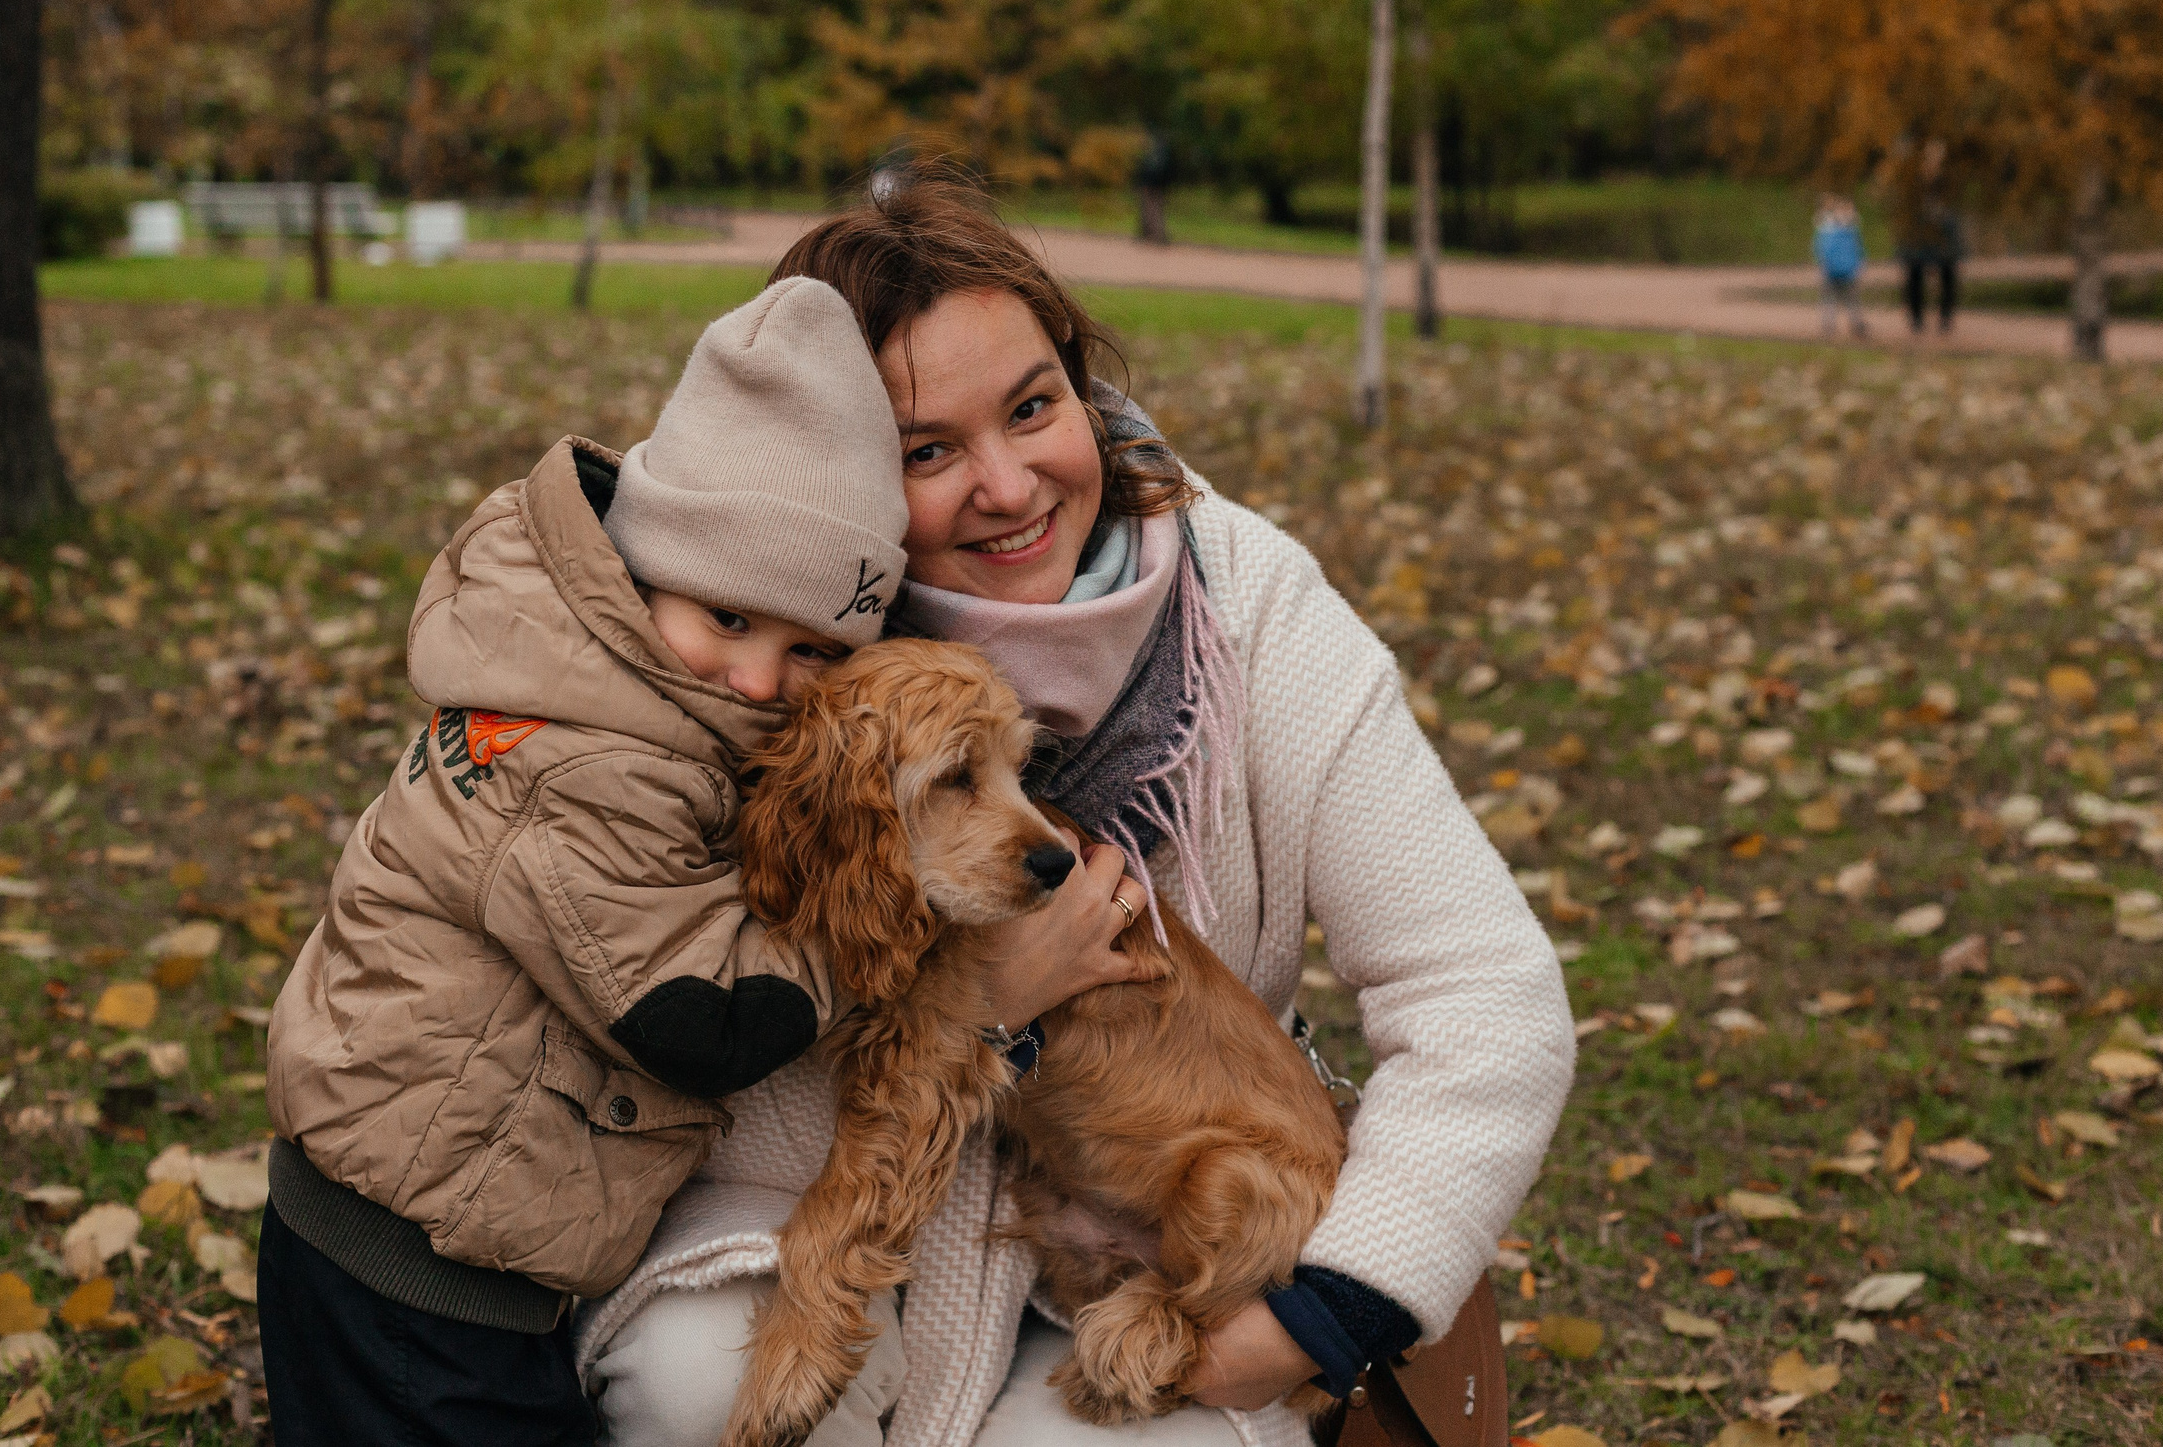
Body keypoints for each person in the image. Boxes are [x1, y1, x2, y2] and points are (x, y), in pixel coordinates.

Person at [580, 174, 1575, 1446]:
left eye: (1032, 408)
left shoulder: (1245, 602)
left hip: (1149, 1240)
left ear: (1081, 385)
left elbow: (1483, 989)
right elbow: (661, 1015)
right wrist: (984, 1005)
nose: (1008, 487)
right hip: (799, 1201)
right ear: (839, 476)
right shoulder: (752, 642)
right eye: (927, 451)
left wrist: (1330, 1307)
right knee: (697, 1388)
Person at [258, 278, 1088, 1446]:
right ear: (644, 574)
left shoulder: (607, 694)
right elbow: (696, 1014)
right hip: (414, 1263)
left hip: (455, 1231)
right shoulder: (584, 766)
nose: (756, 681)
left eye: (811, 651)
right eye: (728, 621)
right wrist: (894, 924)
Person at [1891, 138, 1961, 335]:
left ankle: (1945, 317)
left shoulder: (1948, 179)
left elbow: (1953, 202)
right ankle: (1916, 318)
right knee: (1914, 272)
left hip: (1943, 229)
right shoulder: (1913, 179)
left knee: (1948, 273)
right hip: (1919, 230)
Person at [1813, 194, 1866, 339]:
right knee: (1847, 298)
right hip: (1843, 270)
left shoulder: (1827, 229)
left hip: (1837, 270)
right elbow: (1859, 250)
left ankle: (1834, 323)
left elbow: (1821, 250)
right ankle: (1851, 323)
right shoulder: (1848, 231)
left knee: (1837, 298)